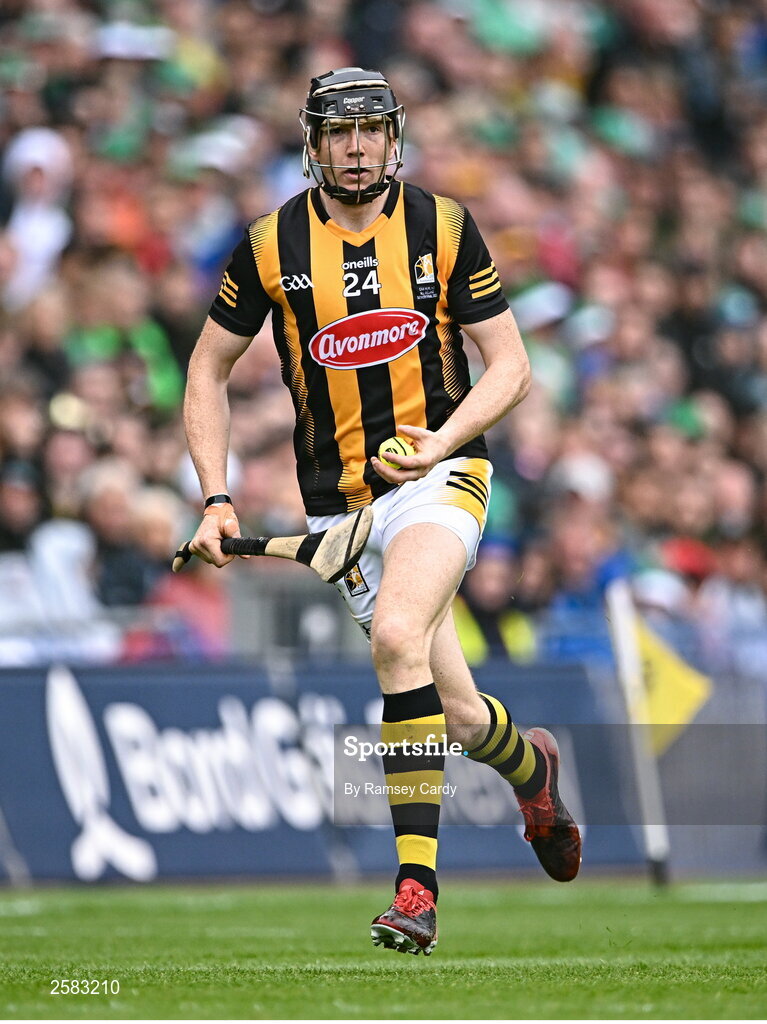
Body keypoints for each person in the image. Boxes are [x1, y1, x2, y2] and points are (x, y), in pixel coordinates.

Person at [185, 67, 581, 956]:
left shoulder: (442, 226)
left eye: (370, 131)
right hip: (341, 511)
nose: (356, 148)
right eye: (338, 132)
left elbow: (511, 366)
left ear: (394, 137)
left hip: (441, 479)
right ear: (312, 142)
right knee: (461, 713)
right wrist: (214, 495)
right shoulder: (267, 245)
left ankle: (415, 890)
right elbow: (206, 370)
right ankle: (535, 771)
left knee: (396, 636)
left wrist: (443, 443)